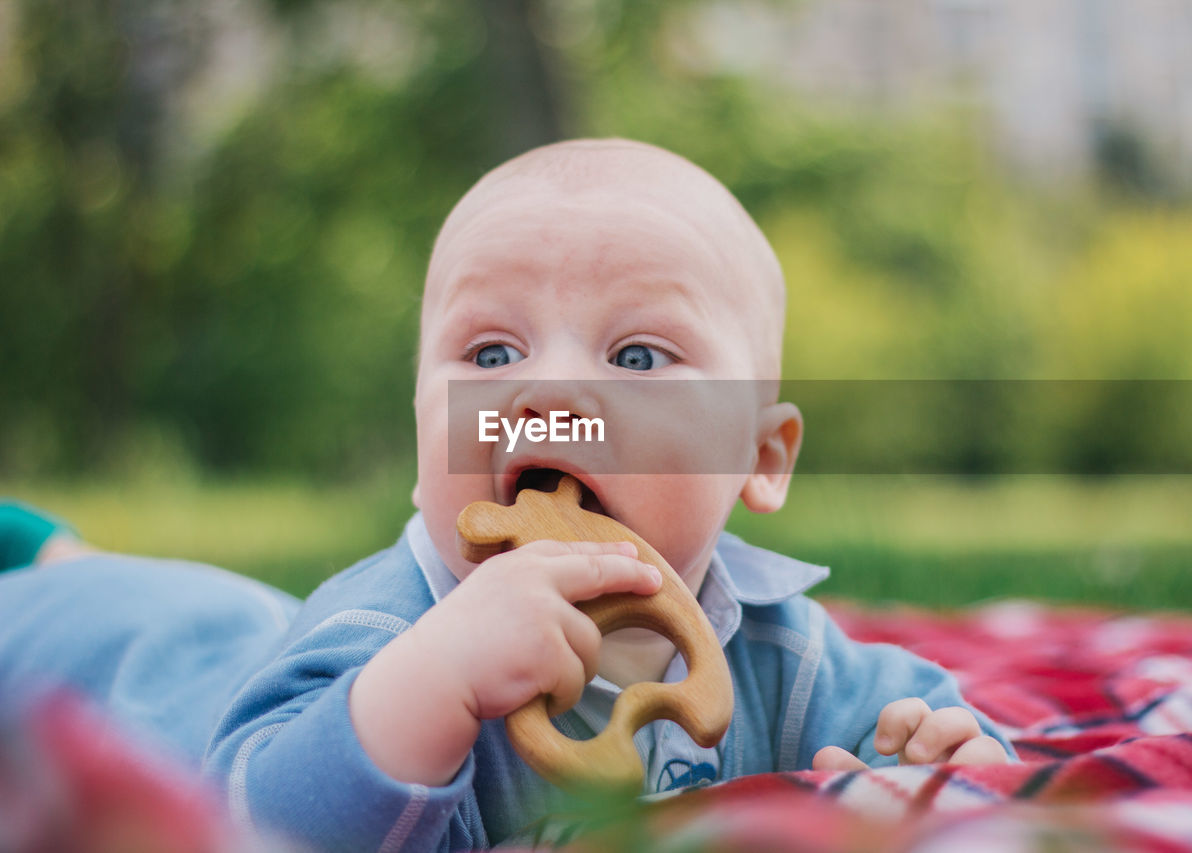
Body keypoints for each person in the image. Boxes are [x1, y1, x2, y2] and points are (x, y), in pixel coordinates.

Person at [0, 139, 1013, 852]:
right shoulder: (380, 632)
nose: (548, 393)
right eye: (490, 351)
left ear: (761, 454)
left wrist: (943, 751)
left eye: (636, 353)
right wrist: (427, 688)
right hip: (94, 660)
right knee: (95, 602)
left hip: (197, 616)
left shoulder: (772, 650)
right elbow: (246, 819)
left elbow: (922, 728)